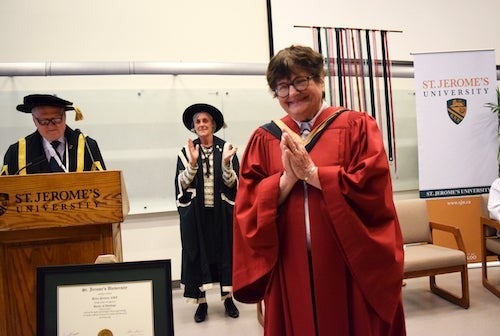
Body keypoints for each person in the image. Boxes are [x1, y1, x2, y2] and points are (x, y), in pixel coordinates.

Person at [232, 45, 406, 335]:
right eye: (282, 87)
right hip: (291, 265)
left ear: (320, 80)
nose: (291, 93)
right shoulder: (265, 138)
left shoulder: (356, 125)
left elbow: (373, 188)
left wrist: (314, 174)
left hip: (347, 263)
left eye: (300, 81)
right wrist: (286, 180)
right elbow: (247, 203)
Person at [174, 103, 240, 323]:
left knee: (225, 254)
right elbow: (181, 186)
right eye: (198, 122)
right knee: (197, 255)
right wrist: (192, 164)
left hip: (221, 215)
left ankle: (228, 298)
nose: (202, 124)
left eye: (205, 121)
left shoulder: (226, 148)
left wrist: (227, 165)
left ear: (213, 125)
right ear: (193, 127)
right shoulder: (185, 152)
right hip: (197, 217)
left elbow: (234, 184)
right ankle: (201, 303)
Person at [1, 94, 105, 175]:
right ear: (34, 120)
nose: (51, 126)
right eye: (44, 121)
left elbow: (104, 186)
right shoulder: (17, 152)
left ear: (64, 117)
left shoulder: (87, 146)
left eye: (56, 120)